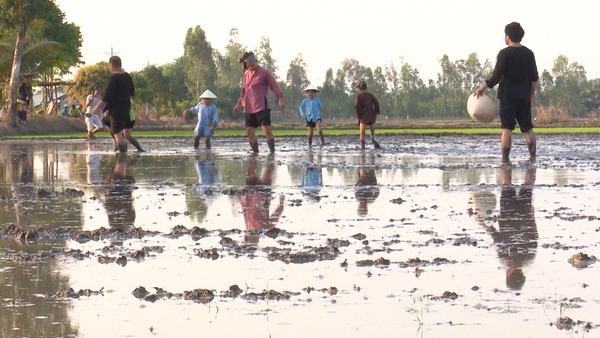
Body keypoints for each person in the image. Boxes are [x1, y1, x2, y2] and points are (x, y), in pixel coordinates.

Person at [474, 22, 539, 164]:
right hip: (523, 96)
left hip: (507, 96)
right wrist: (531, 95)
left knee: (507, 128)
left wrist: (483, 87)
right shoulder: (529, 54)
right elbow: (534, 78)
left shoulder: (504, 54)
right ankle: (533, 157)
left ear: (508, 36)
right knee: (527, 128)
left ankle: (505, 159)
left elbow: (497, 75)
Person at [233, 51, 285, 154]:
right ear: (246, 65)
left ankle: (272, 153)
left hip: (262, 106)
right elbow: (244, 91)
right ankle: (255, 153)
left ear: (256, 61)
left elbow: (274, 85)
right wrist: (238, 104)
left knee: (266, 129)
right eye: (249, 66)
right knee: (249, 131)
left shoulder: (265, 72)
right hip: (249, 107)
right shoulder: (246, 74)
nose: (251, 67)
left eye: (253, 65)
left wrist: (280, 100)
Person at [93, 56, 139, 153]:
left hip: (116, 110)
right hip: (126, 108)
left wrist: (97, 107)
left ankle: (123, 155)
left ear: (111, 65)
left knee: (118, 134)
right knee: (106, 121)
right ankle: (118, 145)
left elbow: (107, 96)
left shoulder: (114, 78)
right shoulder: (127, 76)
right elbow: (132, 92)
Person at [239, 154, 285, 242]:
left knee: (250, 173)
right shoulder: (264, 229)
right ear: (252, 239)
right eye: (248, 238)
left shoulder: (248, 227)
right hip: (263, 196)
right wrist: (281, 205)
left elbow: (246, 212)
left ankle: (254, 154)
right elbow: (274, 219)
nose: (247, 236)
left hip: (251, 194)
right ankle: (271, 155)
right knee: (268, 173)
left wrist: (241, 201)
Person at [354, 80, 381, 149]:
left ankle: (363, 147)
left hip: (363, 118)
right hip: (371, 116)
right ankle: (373, 141)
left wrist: (359, 117)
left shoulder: (358, 97)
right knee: (372, 131)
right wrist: (375, 112)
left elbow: (356, 107)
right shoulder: (370, 95)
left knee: (362, 133)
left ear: (359, 88)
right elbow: (376, 103)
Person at [354, 152, 380, 216]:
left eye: (361, 207)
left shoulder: (358, 198)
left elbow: (356, 188)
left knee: (363, 166)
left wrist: (359, 181)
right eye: (363, 208)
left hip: (364, 180)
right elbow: (377, 192)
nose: (362, 206)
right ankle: (372, 154)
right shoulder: (370, 199)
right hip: (371, 181)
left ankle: (363, 152)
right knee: (371, 167)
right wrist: (375, 186)